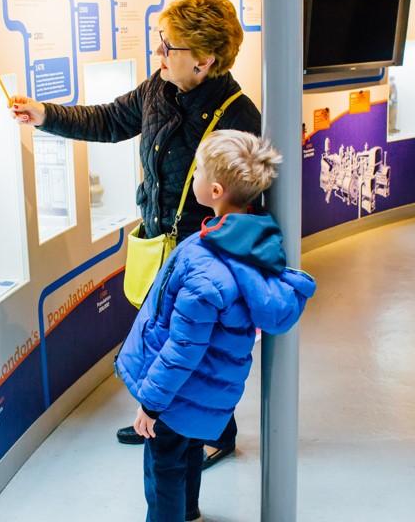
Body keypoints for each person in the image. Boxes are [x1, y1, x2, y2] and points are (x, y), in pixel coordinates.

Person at [9, 0, 260, 466]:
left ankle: (213, 433)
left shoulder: (239, 117)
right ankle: (160, 419)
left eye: (169, 46)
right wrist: (45, 115)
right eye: (160, 41)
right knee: (160, 335)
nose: (158, 53)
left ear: (204, 60)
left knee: (199, 348)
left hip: (206, 256)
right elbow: (107, 120)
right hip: (160, 242)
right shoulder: (156, 90)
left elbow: (248, 205)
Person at [116, 130, 316, 522]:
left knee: (164, 468)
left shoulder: (207, 267)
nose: (193, 178)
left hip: (176, 392)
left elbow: (182, 348)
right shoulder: (249, 243)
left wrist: (151, 404)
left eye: (199, 172)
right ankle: (189, 512)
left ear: (216, 189)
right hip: (204, 391)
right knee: (187, 451)